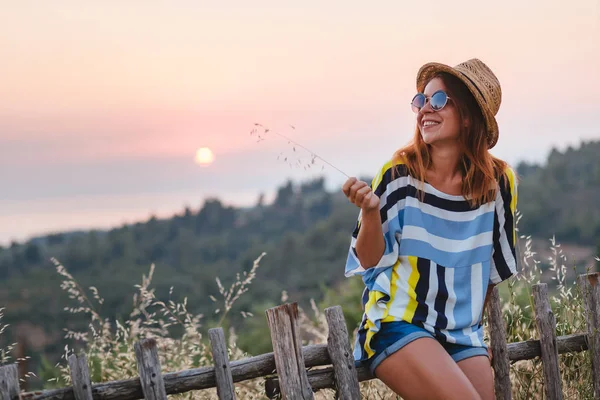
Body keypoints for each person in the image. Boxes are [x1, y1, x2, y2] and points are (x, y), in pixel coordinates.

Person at [342, 58, 518, 400]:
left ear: (468, 116)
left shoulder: (499, 183)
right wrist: (371, 213)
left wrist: (475, 334)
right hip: (398, 322)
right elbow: (368, 258)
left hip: (461, 333)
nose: (424, 109)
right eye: (420, 100)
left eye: (438, 100)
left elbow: (490, 267)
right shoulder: (398, 174)